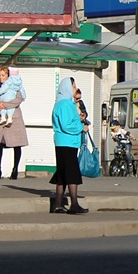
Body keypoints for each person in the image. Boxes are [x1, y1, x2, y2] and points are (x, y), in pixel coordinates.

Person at [49, 78, 88, 215]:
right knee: (72, 173)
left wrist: (79, 119)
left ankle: (58, 204)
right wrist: (81, 127)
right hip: (67, 142)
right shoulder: (65, 104)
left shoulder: (62, 103)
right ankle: (74, 204)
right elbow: (66, 125)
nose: (75, 88)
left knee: (63, 174)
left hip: (63, 142)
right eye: (73, 86)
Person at [0, 66, 28, 180]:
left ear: (8, 75)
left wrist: (5, 105)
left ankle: (15, 169)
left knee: (16, 144)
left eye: (3, 75)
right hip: (1, 117)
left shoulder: (16, 85)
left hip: (13, 118)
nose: (1, 78)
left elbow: (19, 99)